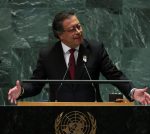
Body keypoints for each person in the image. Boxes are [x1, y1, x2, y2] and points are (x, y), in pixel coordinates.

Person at [8, 10, 150, 105]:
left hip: (94, 112)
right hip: (58, 115)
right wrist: (22, 91)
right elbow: (35, 84)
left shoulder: (95, 49)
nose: (78, 32)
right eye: (72, 29)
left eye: (79, 26)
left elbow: (114, 75)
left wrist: (132, 91)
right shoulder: (48, 55)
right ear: (60, 35)